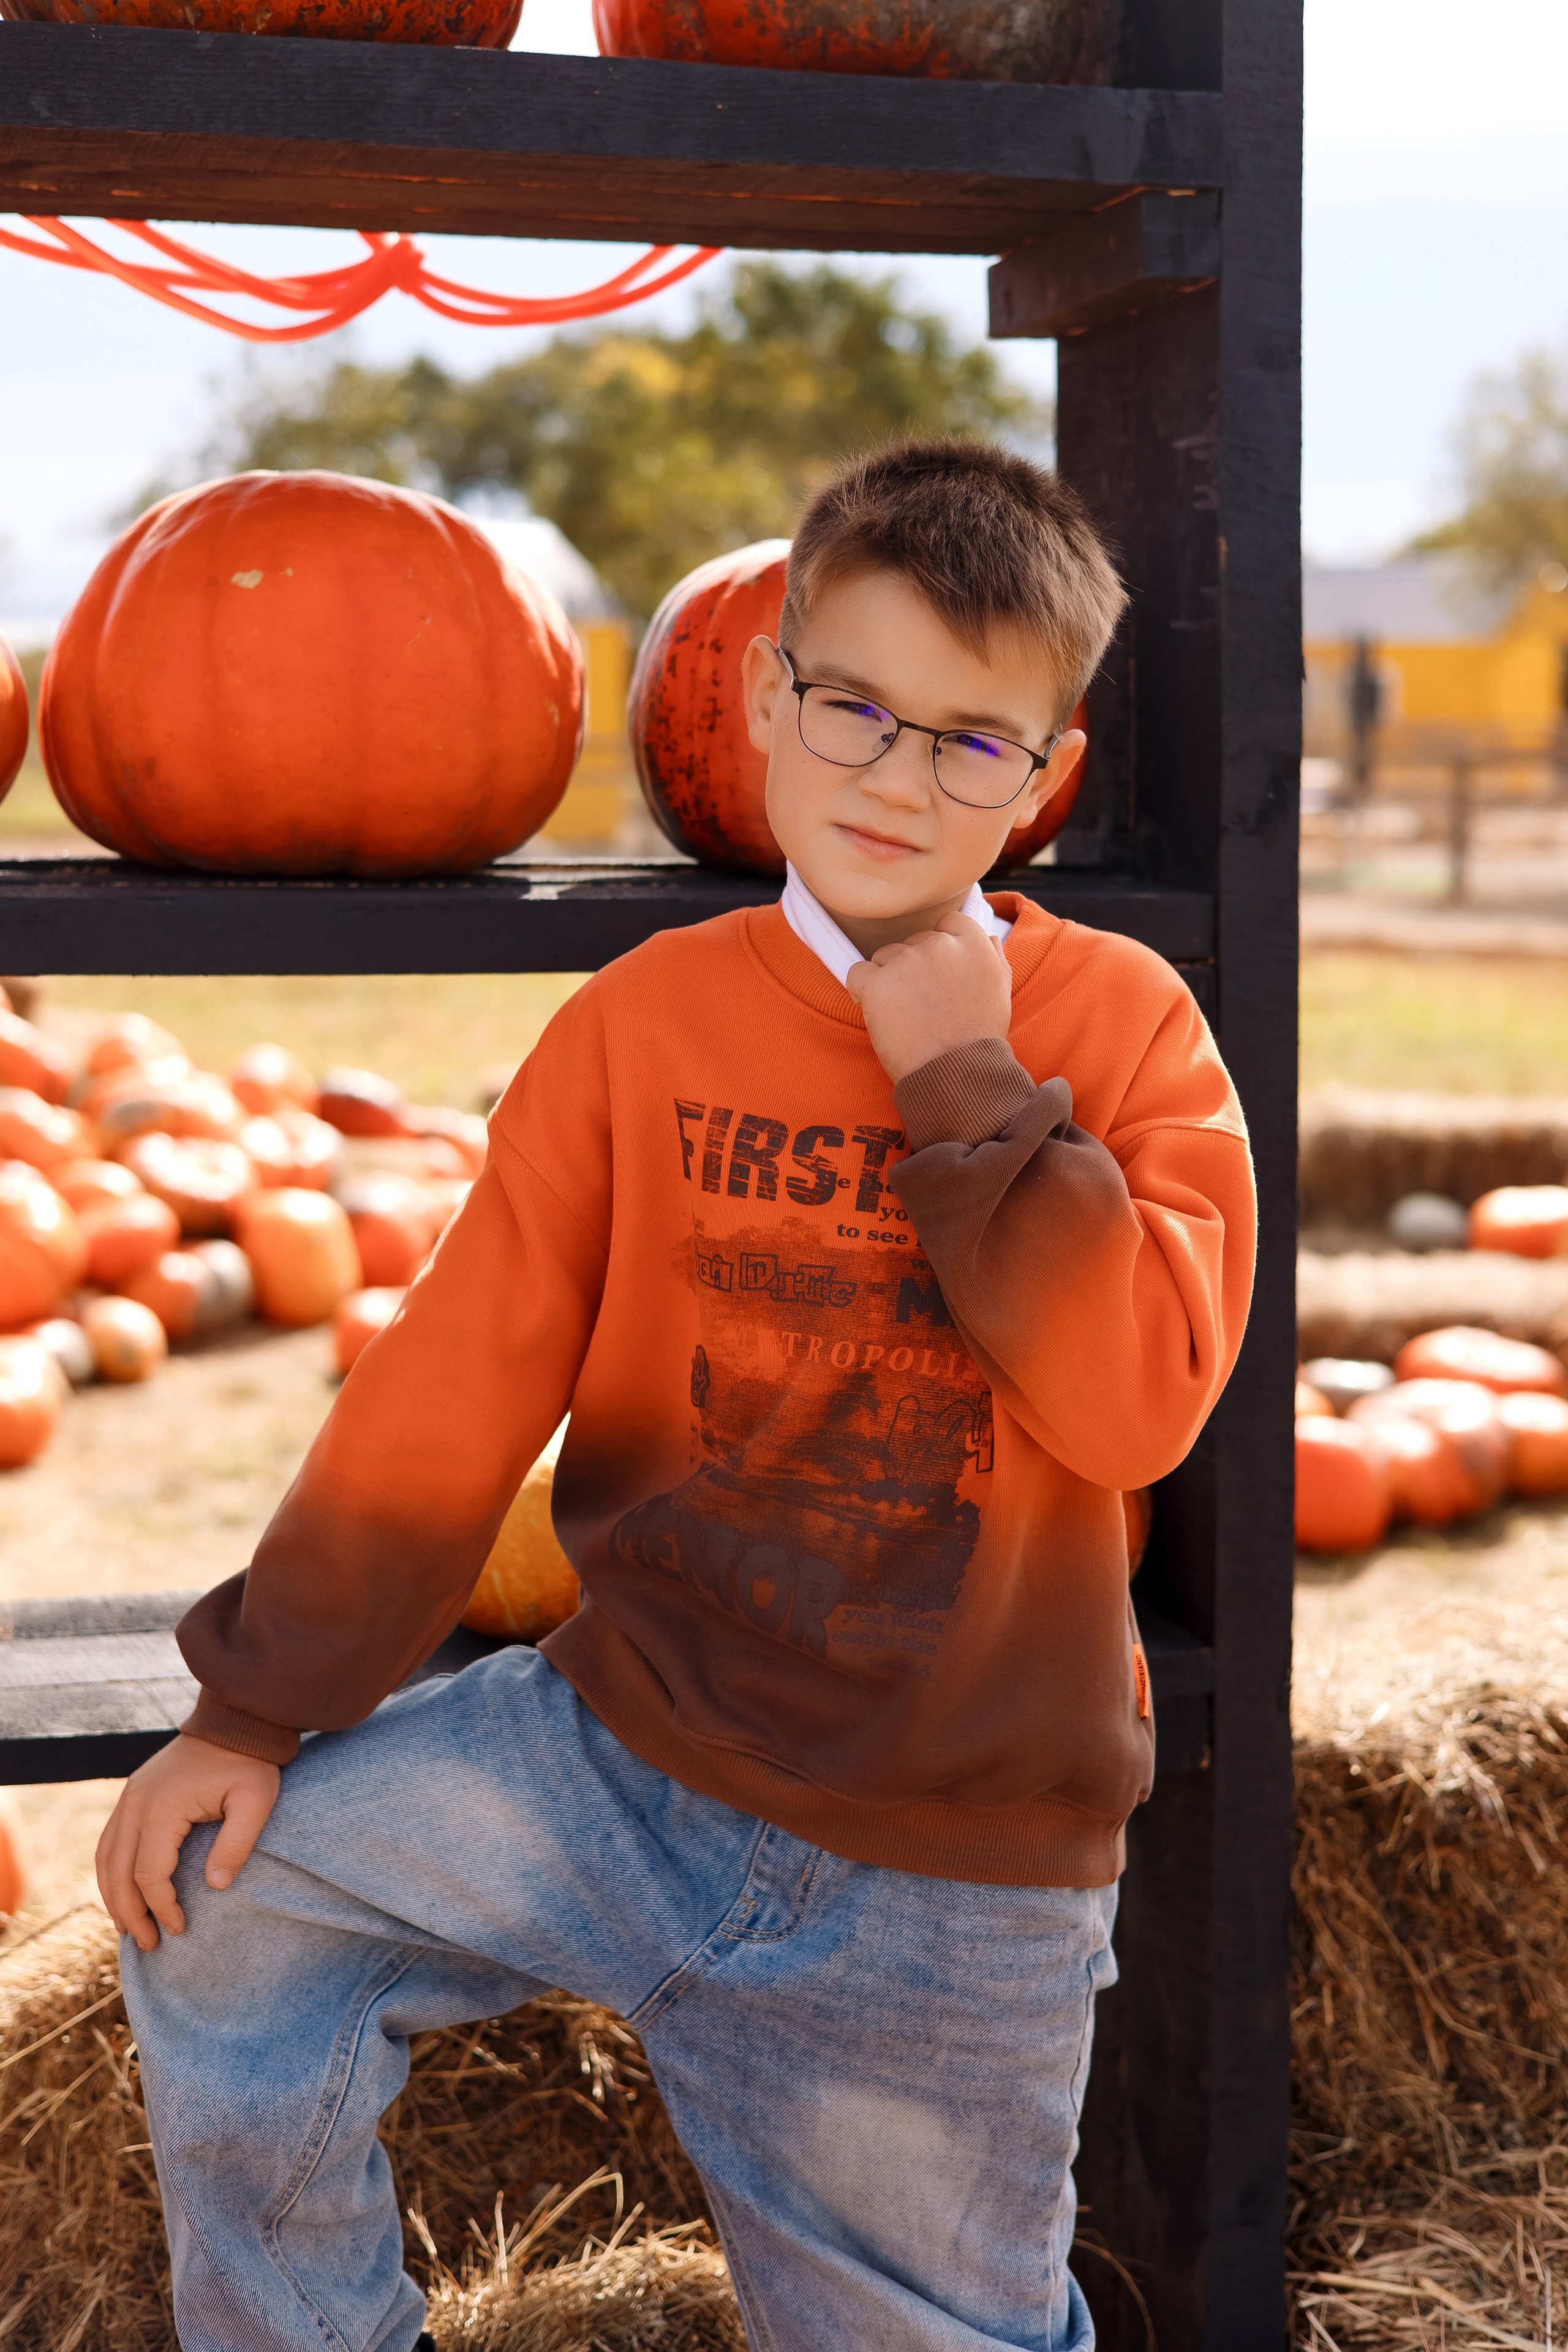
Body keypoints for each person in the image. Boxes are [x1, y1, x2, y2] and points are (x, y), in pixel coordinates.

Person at [99, 437, 1256, 2352]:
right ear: (761, 693)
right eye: (857, 709)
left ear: (1043, 780)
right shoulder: (642, 1022)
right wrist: (255, 1704)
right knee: (223, 1910)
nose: (898, 774)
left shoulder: (1122, 1028)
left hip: (946, 1865)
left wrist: (965, 1081)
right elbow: (458, 1377)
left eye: (972, 740)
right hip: (612, 1757)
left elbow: (1135, 1403)